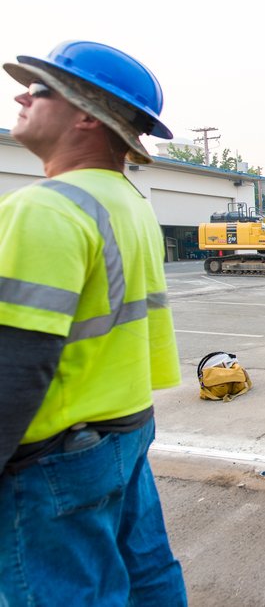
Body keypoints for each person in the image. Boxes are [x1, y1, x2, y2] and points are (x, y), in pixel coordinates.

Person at [0, 41, 187, 604]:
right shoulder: (127, 204)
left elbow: (16, 366)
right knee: (146, 572)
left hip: (54, 457)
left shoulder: (47, 208)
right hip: (124, 432)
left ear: (86, 112)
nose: (20, 95)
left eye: (38, 89)